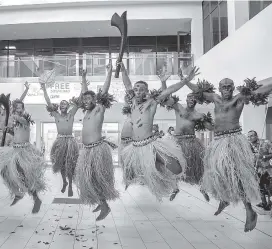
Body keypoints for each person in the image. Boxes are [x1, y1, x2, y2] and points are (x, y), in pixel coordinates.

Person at [186, 67, 272, 232]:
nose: (226, 88)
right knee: (215, 171)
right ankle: (224, 198)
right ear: (219, 88)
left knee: (237, 175)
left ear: (233, 88)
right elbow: (199, 92)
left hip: (234, 140)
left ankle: (249, 210)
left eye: (229, 86)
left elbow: (259, 91)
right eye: (223, 86)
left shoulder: (239, 98)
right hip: (218, 141)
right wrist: (186, 80)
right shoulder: (215, 98)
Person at [119, 62, 198, 199]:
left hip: (150, 144)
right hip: (135, 147)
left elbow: (169, 90)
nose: (137, 91)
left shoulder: (152, 103)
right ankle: (153, 172)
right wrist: (123, 69)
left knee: (176, 168)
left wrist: (185, 80)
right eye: (136, 88)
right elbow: (127, 84)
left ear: (146, 91)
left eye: (141, 89)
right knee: (131, 173)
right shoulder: (132, 103)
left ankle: (168, 178)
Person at [75, 62, 118, 221]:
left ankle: (104, 205)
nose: (85, 100)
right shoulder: (85, 113)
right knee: (88, 178)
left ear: (95, 99)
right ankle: (101, 202)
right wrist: (84, 77)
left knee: (96, 178)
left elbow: (104, 90)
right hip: (86, 151)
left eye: (89, 98)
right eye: (84, 99)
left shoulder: (99, 109)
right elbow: (84, 93)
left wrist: (109, 73)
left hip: (97, 150)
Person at [0, 100, 46, 213]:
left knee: (25, 176)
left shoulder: (25, 120)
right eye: (15, 108)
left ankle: (36, 199)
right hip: (14, 149)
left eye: (19, 108)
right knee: (5, 172)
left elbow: (21, 120)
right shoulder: (15, 123)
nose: (17, 110)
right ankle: (17, 192)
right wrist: (7, 129)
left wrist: (13, 114)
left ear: (23, 109)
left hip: (23, 151)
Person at [162, 92, 214, 201]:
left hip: (191, 142)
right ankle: (175, 188)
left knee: (201, 167)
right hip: (177, 142)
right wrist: (163, 81)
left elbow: (210, 127)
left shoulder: (199, 115)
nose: (192, 100)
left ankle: (203, 188)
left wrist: (207, 120)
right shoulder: (178, 107)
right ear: (186, 99)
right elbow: (166, 97)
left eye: (194, 98)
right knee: (171, 164)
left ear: (197, 101)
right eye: (190, 97)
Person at [40, 70, 84, 197]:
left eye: (65, 103)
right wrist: (44, 90)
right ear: (59, 107)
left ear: (68, 106)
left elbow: (80, 100)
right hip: (60, 142)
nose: (63, 105)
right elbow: (48, 102)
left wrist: (82, 86)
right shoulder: (56, 115)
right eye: (61, 104)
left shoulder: (71, 114)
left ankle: (70, 184)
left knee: (70, 164)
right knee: (61, 164)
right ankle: (64, 182)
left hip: (70, 141)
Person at [0, 75, 29, 150]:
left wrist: (26, 89)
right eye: (6, 102)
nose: (8, 104)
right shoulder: (0, 110)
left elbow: (20, 99)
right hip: (1, 134)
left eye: (9, 102)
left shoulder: (12, 111)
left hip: (10, 135)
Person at [247, 130, 272, 210]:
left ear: (256, 136)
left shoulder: (265, 143)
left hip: (267, 168)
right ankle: (263, 202)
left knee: (269, 187)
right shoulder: (248, 145)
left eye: (252, 135)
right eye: (248, 136)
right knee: (259, 186)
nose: (250, 138)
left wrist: (264, 157)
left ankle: (270, 204)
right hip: (256, 168)